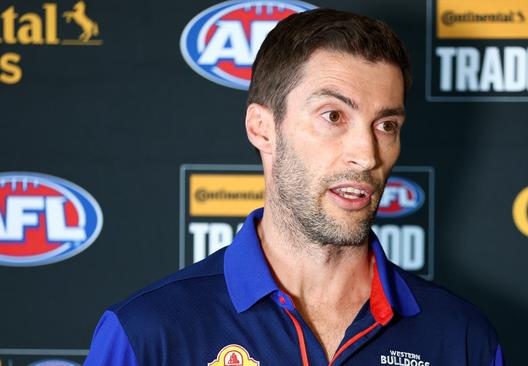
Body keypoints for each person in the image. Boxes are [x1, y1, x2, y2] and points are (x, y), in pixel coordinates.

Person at [84, 8, 504, 366]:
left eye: (386, 125)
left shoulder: (461, 337)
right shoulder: (149, 333)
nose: (367, 154)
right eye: (333, 116)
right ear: (262, 129)